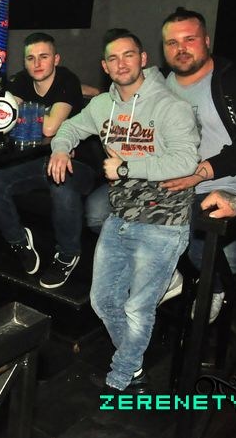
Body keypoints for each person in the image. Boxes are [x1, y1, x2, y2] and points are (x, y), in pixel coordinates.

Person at [49, 29, 199, 392]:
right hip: (119, 217)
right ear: (105, 66)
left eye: (128, 55)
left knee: (137, 308)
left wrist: (127, 168)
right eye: (113, 58)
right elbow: (69, 127)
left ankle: (123, 376)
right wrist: (61, 148)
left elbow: (185, 161)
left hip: (163, 222)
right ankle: (134, 364)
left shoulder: (171, 106)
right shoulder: (103, 106)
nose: (121, 64)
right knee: (102, 301)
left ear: (143, 59)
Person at [159, 7, 236, 323]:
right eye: (172, 42)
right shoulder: (160, 83)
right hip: (171, 181)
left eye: (190, 39)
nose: (181, 49)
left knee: (215, 251)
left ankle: (214, 288)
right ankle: (168, 274)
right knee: (101, 210)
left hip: (226, 184)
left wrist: (203, 171)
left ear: (207, 40)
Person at [0, 32, 98, 288]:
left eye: (44, 57)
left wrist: (23, 114)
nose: (37, 63)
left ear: (56, 59)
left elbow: (50, 128)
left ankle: (67, 254)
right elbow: (3, 117)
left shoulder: (66, 80)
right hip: (37, 161)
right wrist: (30, 113)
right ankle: (18, 241)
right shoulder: (22, 80)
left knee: (60, 184)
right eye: (30, 58)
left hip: (79, 163)